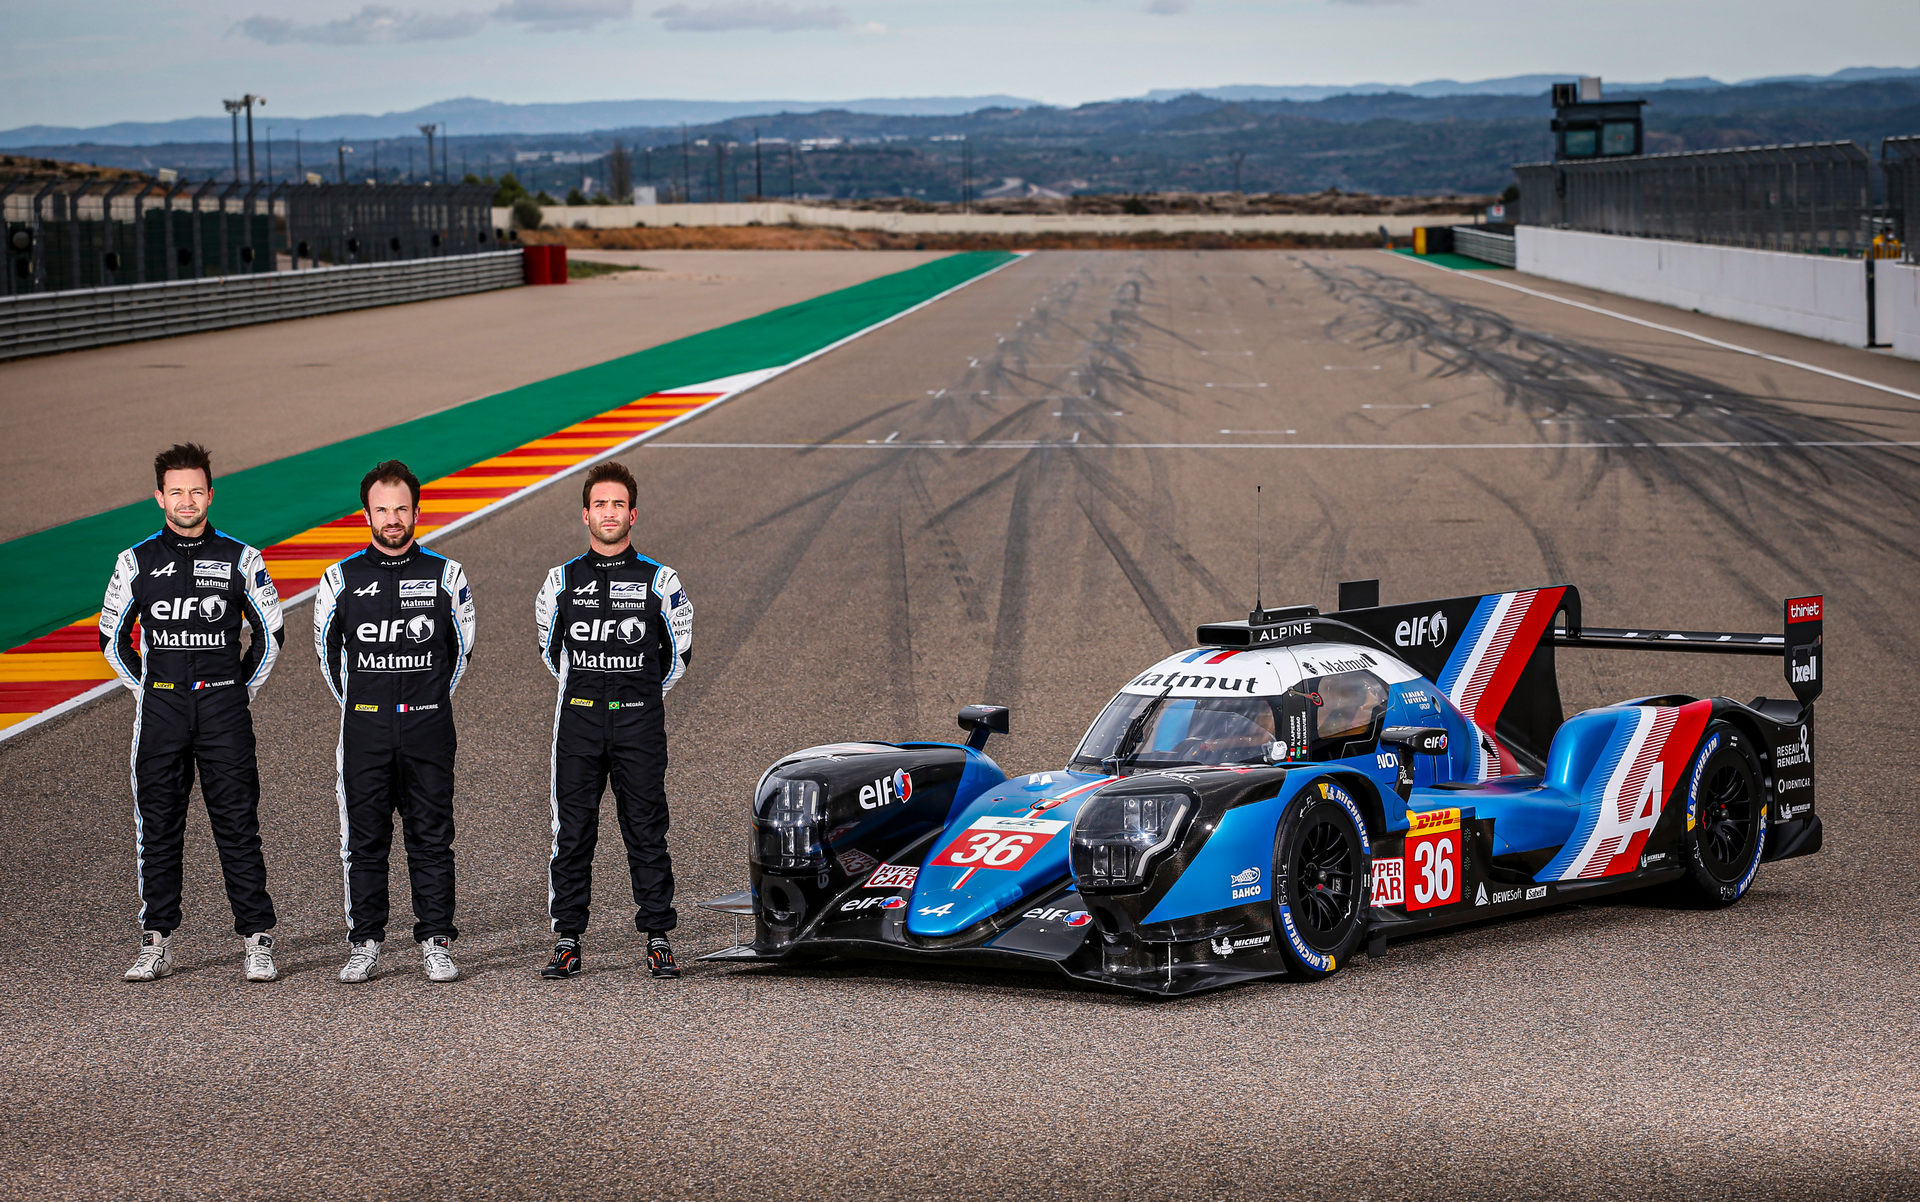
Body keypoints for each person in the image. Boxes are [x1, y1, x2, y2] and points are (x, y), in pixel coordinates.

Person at [100, 443, 286, 983]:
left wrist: (235, 690)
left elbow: (270, 636)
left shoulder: (242, 558)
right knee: (157, 828)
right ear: (159, 496)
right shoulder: (134, 561)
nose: (187, 500)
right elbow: (113, 640)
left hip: (223, 709)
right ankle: (154, 940)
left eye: (196, 490)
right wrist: (151, 690)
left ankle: (257, 938)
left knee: (237, 825)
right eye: (176, 491)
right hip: (160, 712)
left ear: (211, 494)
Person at [313, 460, 476, 984]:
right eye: (382, 509)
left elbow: (461, 652)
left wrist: (423, 700)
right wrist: (366, 704)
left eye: (401, 508)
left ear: (416, 511)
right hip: (365, 729)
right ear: (366, 515)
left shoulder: (446, 575)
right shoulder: (339, 578)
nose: (392, 518)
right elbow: (327, 655)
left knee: (431, 837)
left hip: (428, 726)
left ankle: (436, 941)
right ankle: (364, 942)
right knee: (364, 840)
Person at [533, 460, 693, 980]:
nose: (609, 512)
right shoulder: (559, 581)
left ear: (633, 515)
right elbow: (549, 651)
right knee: (572, 832)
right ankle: (567, 939)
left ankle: (658, 936)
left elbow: (677, 658)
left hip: (638, 722)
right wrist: (591, 689)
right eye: (600, 504)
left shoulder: (661, 581)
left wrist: (633, 694)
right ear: (585, 514)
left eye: (618, 504)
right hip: (577, 720)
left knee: (646, 829)